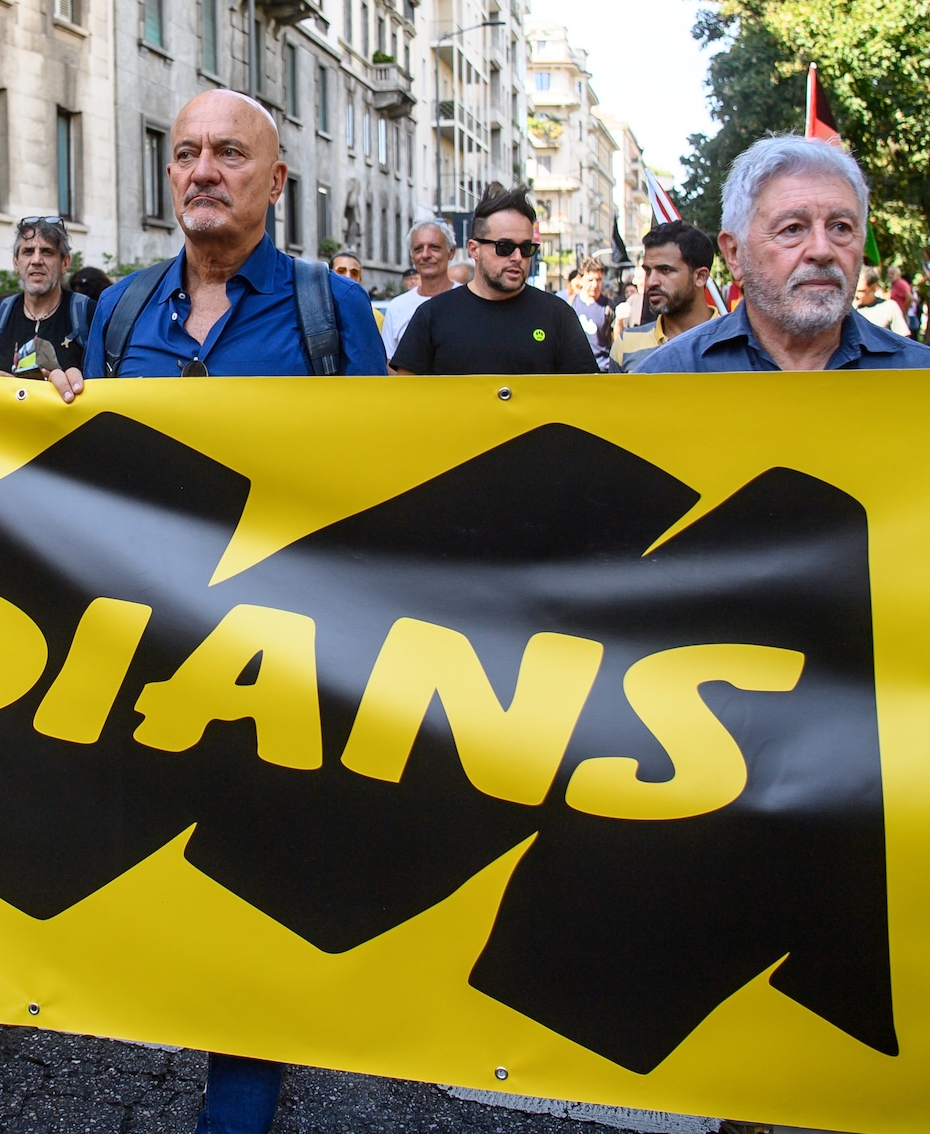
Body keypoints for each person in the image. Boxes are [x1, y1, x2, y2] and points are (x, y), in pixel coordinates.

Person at [42, 87, 382, 1134]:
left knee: (256, 855)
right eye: (185, 152)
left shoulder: (332, 313)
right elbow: (89, 467)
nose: (199, 170)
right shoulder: (121, 310)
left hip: (278, 640)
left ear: (275, 182)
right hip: (147, 635)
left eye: (227, 153)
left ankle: (242, 1080)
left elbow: (377, 473)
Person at [639, 136, 930, 374]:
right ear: (734, 254)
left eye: (841, 227)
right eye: (792, 229)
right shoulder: (669, 377)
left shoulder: (928, 380)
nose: (822, 250)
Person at [388, 185, 599, 377]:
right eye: (504, 247)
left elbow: (584, 396)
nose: (517, 257)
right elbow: (407, 399)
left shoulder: (557, 315)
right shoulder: (432, 315)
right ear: (474, 249)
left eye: (526, 248)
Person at [0, 217, 94, 377]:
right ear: (16, 263)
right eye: (28, 251)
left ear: (65, 263)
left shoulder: (88, 314)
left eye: (47, 252)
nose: (36, 260)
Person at [611, 222, 717, 371]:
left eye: (665, 270)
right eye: (648, 271)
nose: (651, 282)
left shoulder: (736, 342)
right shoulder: (626, 346)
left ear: (700, 276)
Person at [378, 220, 458, 359]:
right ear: (412, 258)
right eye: (418, 249)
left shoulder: (468, 300)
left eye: (434, 247)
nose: (425, 255)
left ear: (451, 252)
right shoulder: (397, 307)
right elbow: (389, 361)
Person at [565, 258, 615, 369]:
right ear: (581, 279)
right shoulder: (571, 304)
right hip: (577, 368)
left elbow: (615, 340)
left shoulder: (608, 306)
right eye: (590, 280)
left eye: (598, 280)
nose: (595, 285)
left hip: (602, 368)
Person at [855, 266, 910, 336]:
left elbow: (904, 339)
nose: (855, 295)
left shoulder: (889, 308)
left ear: (873, 287)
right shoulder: (848, 308)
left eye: (861, 291)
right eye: (854, 291)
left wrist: (905, 313)